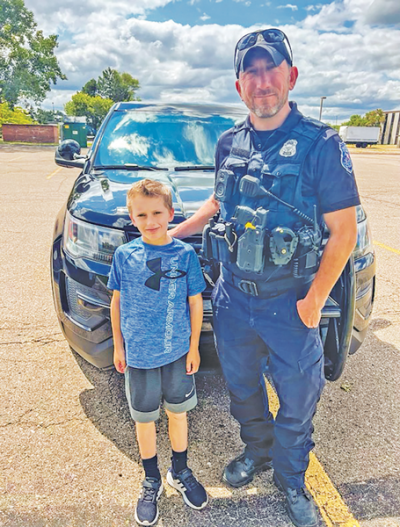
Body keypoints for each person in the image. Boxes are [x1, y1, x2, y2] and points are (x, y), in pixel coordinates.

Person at [169, 28, 359, 527]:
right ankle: (257, 450)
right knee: (242, 387)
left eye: (270, 68)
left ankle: (292, 479)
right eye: (250, 71)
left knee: (298, 398)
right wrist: (172, 233)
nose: (261, 80)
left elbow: (343, 233)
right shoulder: (229, 142)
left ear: (291, 76)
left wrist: (315, 299)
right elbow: (218, 201)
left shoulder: (322, 145)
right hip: (234, 298)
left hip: (291, 303)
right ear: (239, 86)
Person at [108, 179, 208, 526]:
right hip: (138, 356)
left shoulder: (184, 254)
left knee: (179, 414)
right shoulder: (125, 255)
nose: (150, 221)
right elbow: (116, 301)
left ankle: (179, 471)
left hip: (178, 352)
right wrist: (119, 346)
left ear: (170, 213)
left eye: (156, 213)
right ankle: (151, 479)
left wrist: (194, 347)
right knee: (145, 419)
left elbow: (195, 302)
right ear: (132, 218)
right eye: (141, 214)